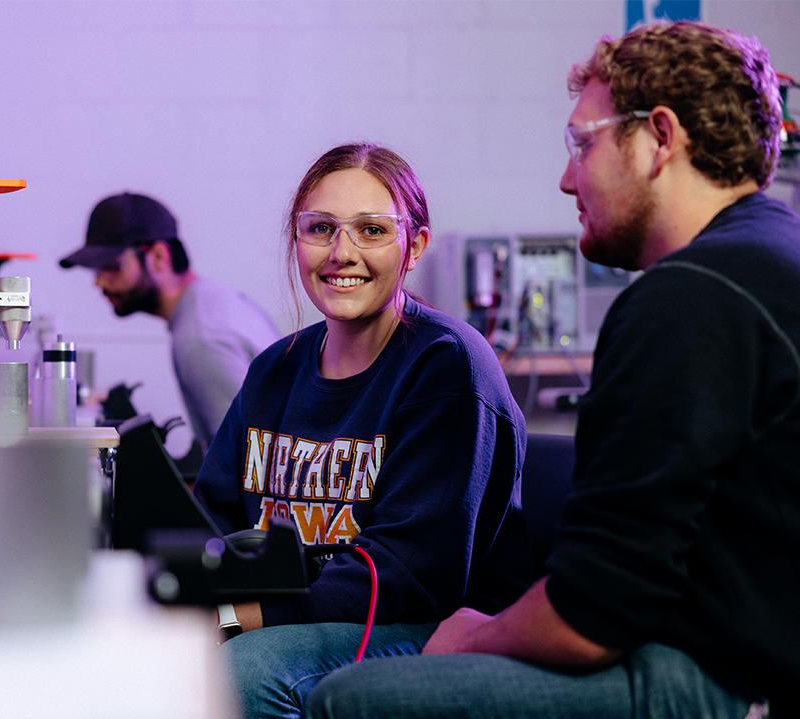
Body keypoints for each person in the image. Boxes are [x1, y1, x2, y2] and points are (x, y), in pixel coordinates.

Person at [305, 21, 800, 719]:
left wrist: (475, 634)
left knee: (348, 701)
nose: (566, 177)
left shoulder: (690, 296)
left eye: (582, 143)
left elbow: (590, 613)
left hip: (722, 679)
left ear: (659, 137)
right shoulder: (768, 254)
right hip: (728, 649)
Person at [192, 143, 533, 719]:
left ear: (414, 245)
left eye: (371, 230)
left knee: (242, 671)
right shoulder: (274, 370)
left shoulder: (446, 365)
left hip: (427, 623)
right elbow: (214, 517)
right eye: (320, 228)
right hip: (293, 612)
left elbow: (406, 573)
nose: (341, 253)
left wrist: (235, 618)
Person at [59, 192, 280, 450]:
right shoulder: (215, 301)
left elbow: (248, 459)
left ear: (158, 257)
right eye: (96, 270)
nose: (99, 282)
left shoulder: (200, 338)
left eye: (112, 266)